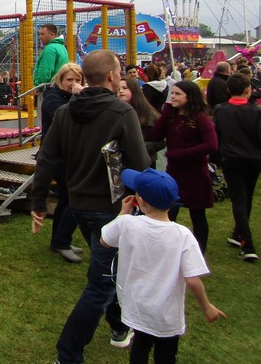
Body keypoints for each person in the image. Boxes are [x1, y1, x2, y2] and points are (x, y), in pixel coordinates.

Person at [31, 50, 150, 363]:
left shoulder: (65, 112)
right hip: (111, 209)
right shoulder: (120, 114)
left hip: (80, 205)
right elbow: (141, 163)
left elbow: (46, 157)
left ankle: (119, 326)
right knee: (101, 284)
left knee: (109, 271)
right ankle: (68, 354)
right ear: (112, 76)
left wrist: (39, 200)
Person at [101, 168, 226, 363]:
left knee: (140, 346)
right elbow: (192, 280)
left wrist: (122, 214)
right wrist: (206, 306)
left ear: (140, 201)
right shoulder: (183, 235)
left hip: (138, 306)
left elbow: (105, 240)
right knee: (166, 354)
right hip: (167, 313)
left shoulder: (127, 224)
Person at [149, 80, 217, 254]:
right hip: (174, 173)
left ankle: (199, 252)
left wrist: (179, 153)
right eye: (172, 93)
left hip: (195, 173)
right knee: (169, 212)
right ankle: (167, 248)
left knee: (197, 214)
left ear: (189, 96)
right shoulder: (171, 116)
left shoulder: (200, 118)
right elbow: (155, 135)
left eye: (178, 94)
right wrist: (165, 115)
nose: (173, 97)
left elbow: (211, 145)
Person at [212, 73, 261, 261]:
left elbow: (218, 134)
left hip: (232, 158)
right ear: (248, 90)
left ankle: (243, 238)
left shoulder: (220, 110)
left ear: (228, 90)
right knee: (245, 197)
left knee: (240, 198)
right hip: (252, 159)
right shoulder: (256, 111)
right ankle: (243, 238)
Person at [39, 62, 85, 263]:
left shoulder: (68, 97)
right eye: (69, 80)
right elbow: (67, 118)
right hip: (55, 156)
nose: (73, 84)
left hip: (69, 154)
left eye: (77, 80)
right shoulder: (52, 97)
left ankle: (60, 239)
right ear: (60, 79)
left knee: (67, 198)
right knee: (74, 198)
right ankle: (61, 240)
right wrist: (78, 96)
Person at [118, 76, 165, 169]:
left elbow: (161, 141)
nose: (120, 91)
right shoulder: (116, 112)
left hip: (145, 163)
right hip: (124, 164)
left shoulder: (149, 114)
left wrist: (141, 148)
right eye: (118, 89)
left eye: (124, 88)